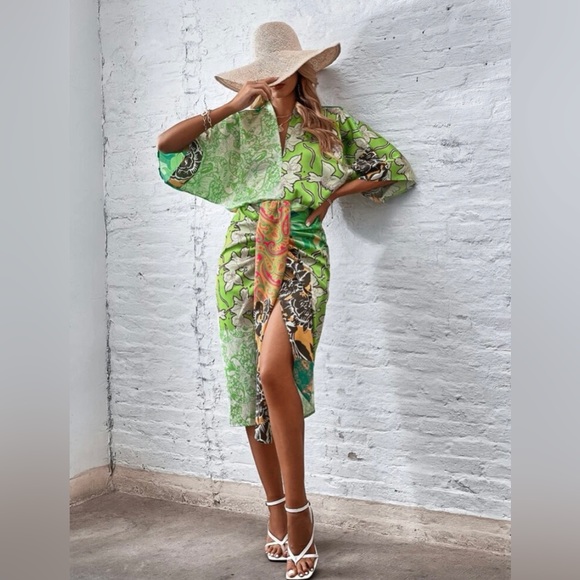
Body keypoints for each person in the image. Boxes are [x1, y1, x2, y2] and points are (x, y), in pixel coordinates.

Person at [157, 21, 416, 580]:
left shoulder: (331, 127)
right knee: (251, 382)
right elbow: (168, 150)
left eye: (284, 70)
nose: (275, 80)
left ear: (302, 73)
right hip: (243, 254)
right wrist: (230, 106)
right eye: (265, 73)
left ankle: (298, 510)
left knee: (277, 369)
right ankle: (274, 508)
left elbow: (393, 171)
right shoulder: (239, 127)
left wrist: (335, 192)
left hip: (302, 250)